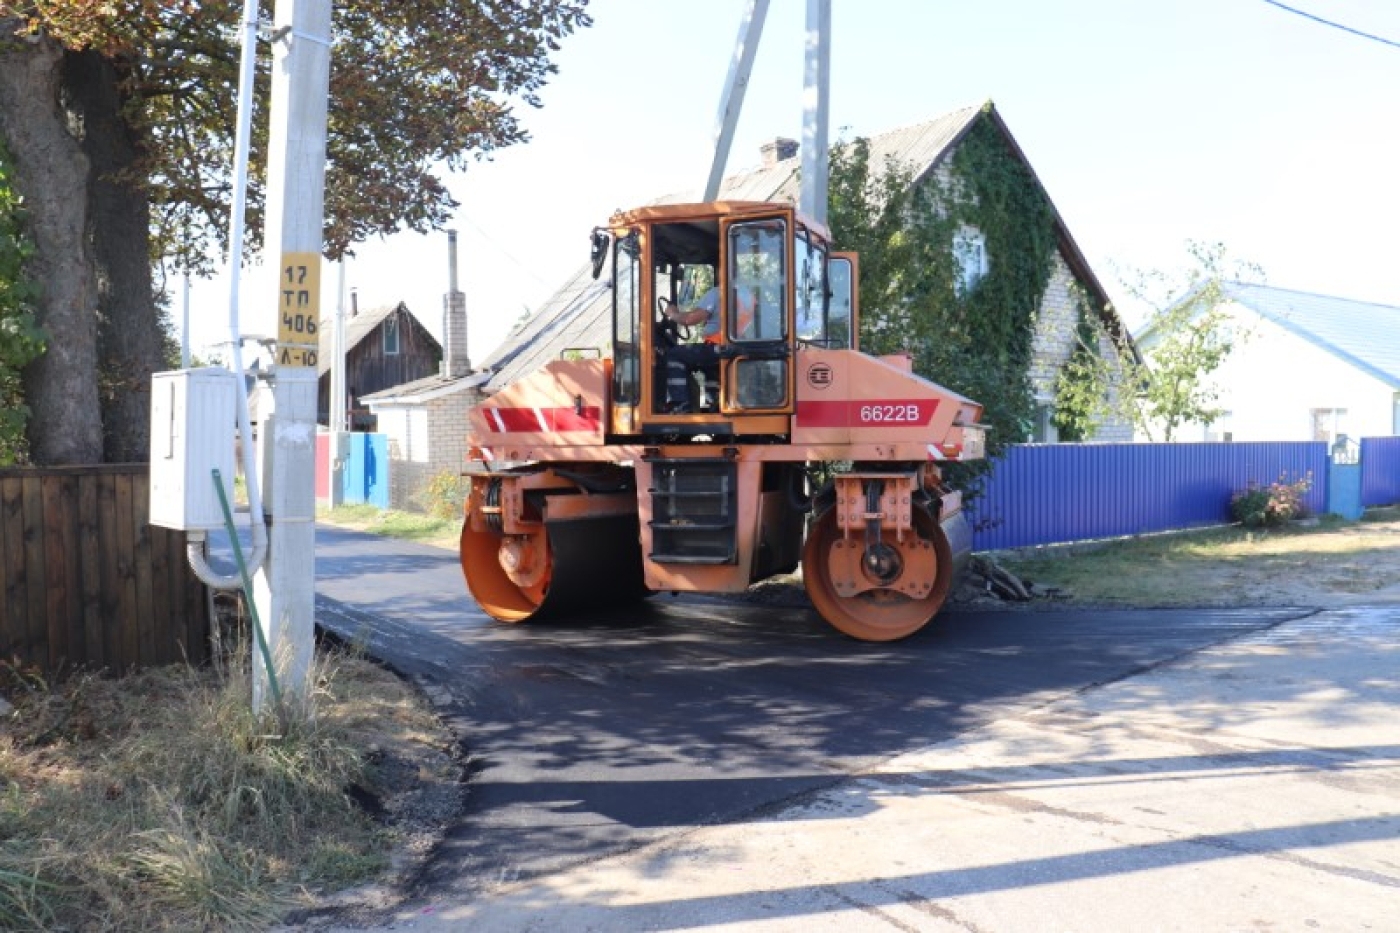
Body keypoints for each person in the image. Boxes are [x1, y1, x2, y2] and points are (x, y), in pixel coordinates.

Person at [662, 287, 721, 412]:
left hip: (719, 347)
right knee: (706, 361)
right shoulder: (745, 295)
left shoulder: (718, 292)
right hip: (732, 347)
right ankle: (715, 400)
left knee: (674, 355)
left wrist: (672, 314)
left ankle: (680, 402)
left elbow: (690, 319)